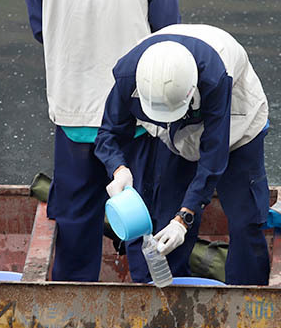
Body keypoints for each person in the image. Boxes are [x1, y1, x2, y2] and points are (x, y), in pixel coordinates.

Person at [26, 0, 181, 281]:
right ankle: (147, 290)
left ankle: (72, 296)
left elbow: (42, 31)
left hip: (72, 112)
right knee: (139, 212)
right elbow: (169, 40)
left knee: (76, 216)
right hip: (132, 119)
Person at [95, 24, 271, 286]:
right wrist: (118, 169)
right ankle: (171, 292)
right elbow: (108, 134)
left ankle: (248, 295)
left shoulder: (216, 77)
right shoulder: (128, 75)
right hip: (172, 136)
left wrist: (184, 218)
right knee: (165, 211)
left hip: (236, 121)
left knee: (245, 219)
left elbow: (213, 158)